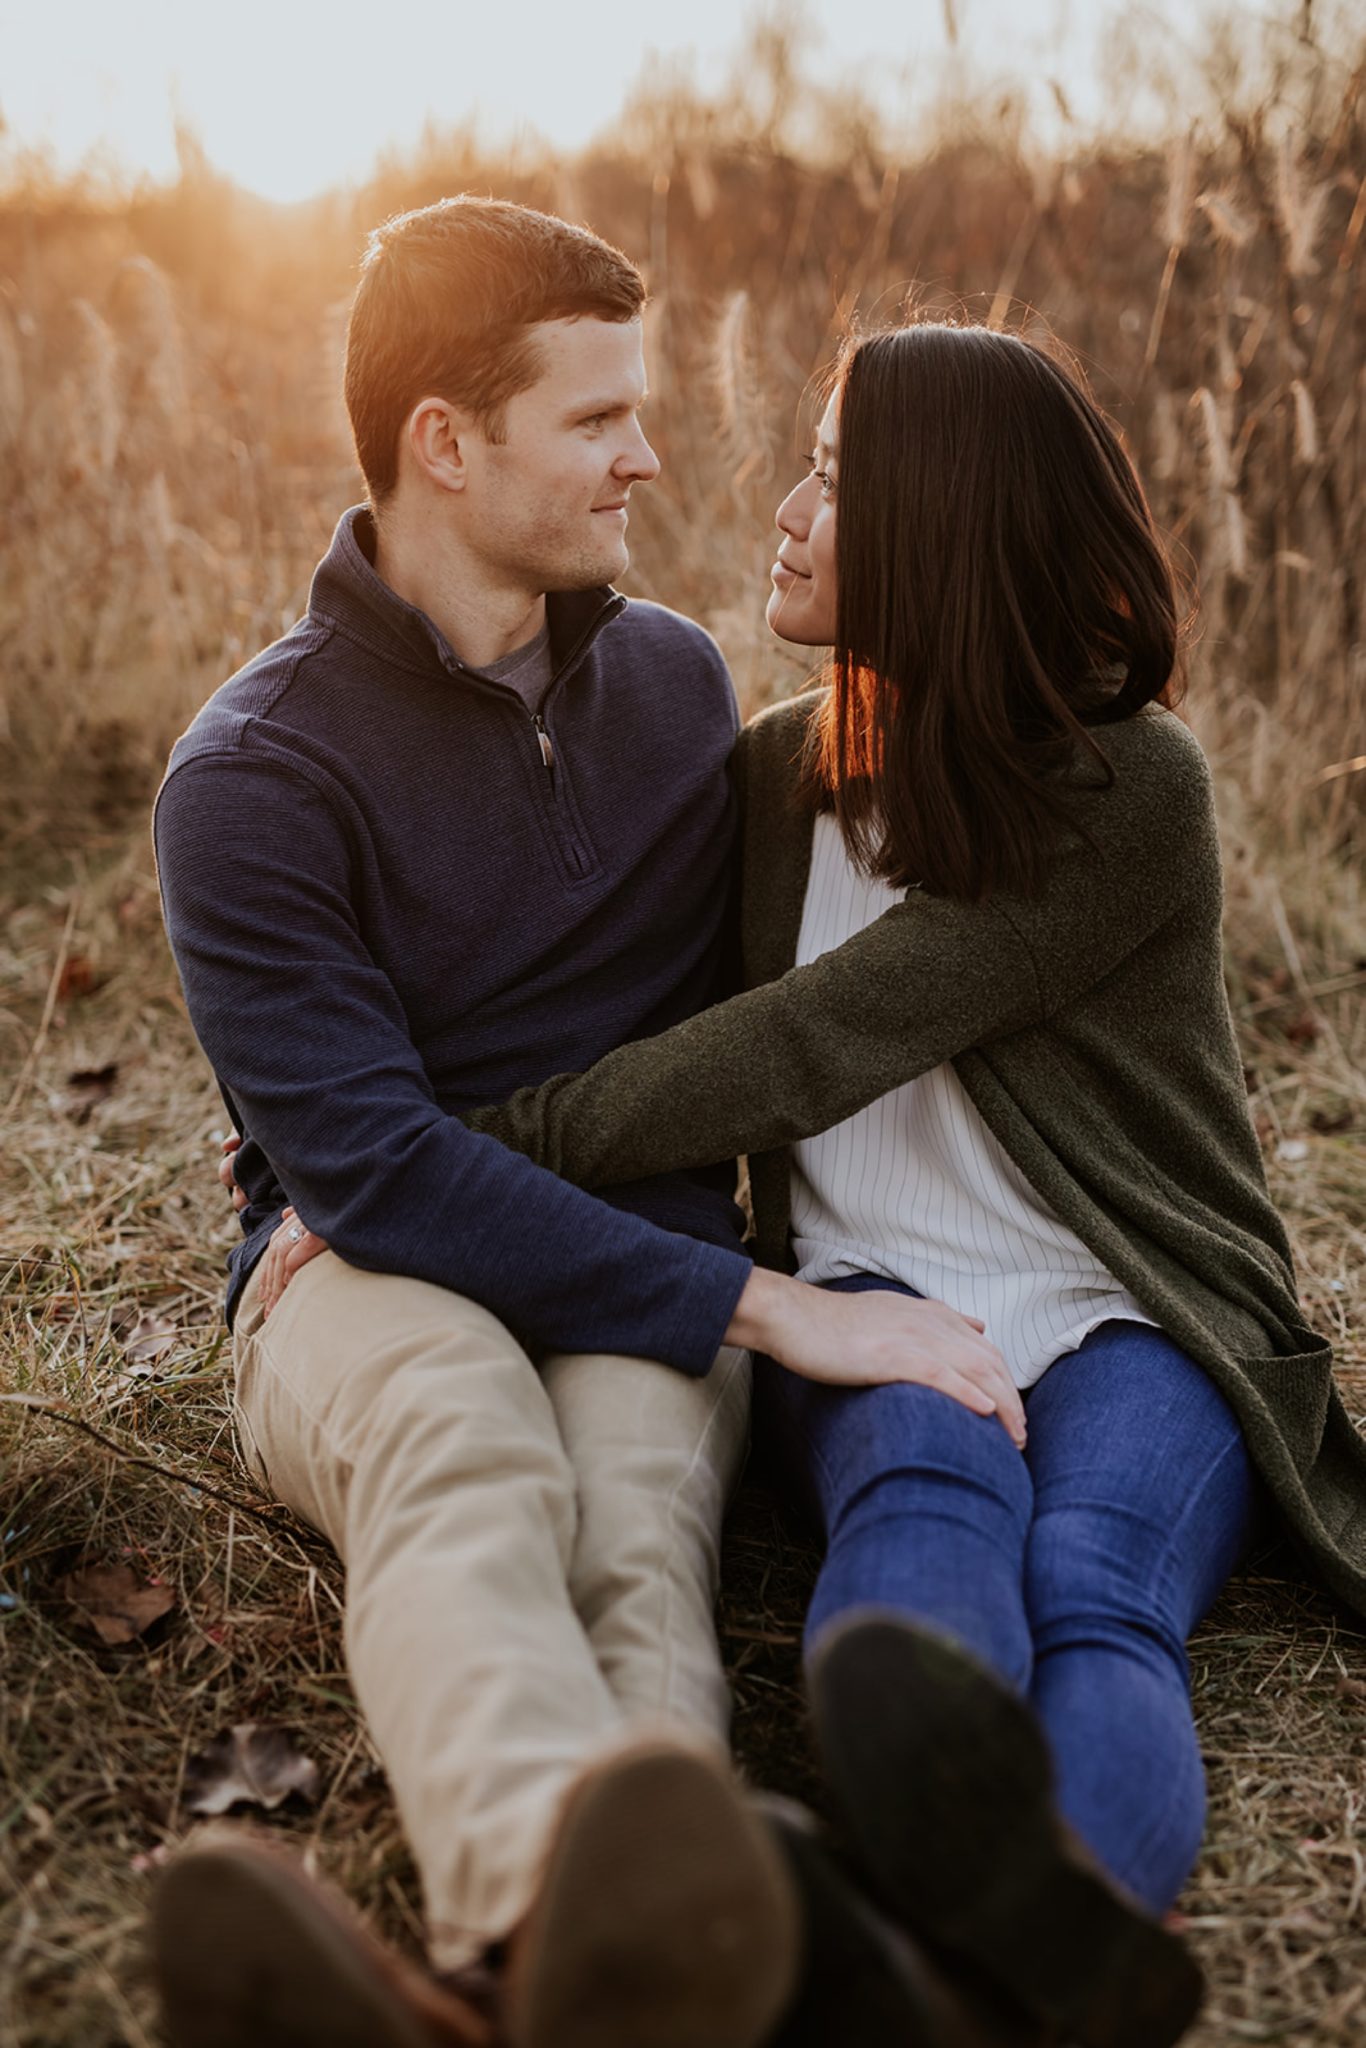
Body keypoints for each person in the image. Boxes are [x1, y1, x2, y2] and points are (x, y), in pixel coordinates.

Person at [266, 319, 1366, 2048]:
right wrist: (372, 1156)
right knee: (919, 1512)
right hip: (869, 1303)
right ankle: (929, 1915)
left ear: (941, 522)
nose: (781, 508)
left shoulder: (1129, 786)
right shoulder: (776, 773)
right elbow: (611, 989)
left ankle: (1037, 1946)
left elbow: (800, 1047)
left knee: (1090, 1583)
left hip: (1133, 1313)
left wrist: (441, 1161)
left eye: (837, 478)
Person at [151, 200, 1023, 2048]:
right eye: (593, 419)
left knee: (630, 1513)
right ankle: (569, 1917)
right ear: (442, 448)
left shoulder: (676, 688)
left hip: (641, 1261)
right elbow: (371, 1166)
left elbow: (811, 977)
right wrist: (776, 1309)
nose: (649, 451)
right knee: (468, 1454)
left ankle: (524, 1994)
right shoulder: (250, 778)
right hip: (356, 1265)